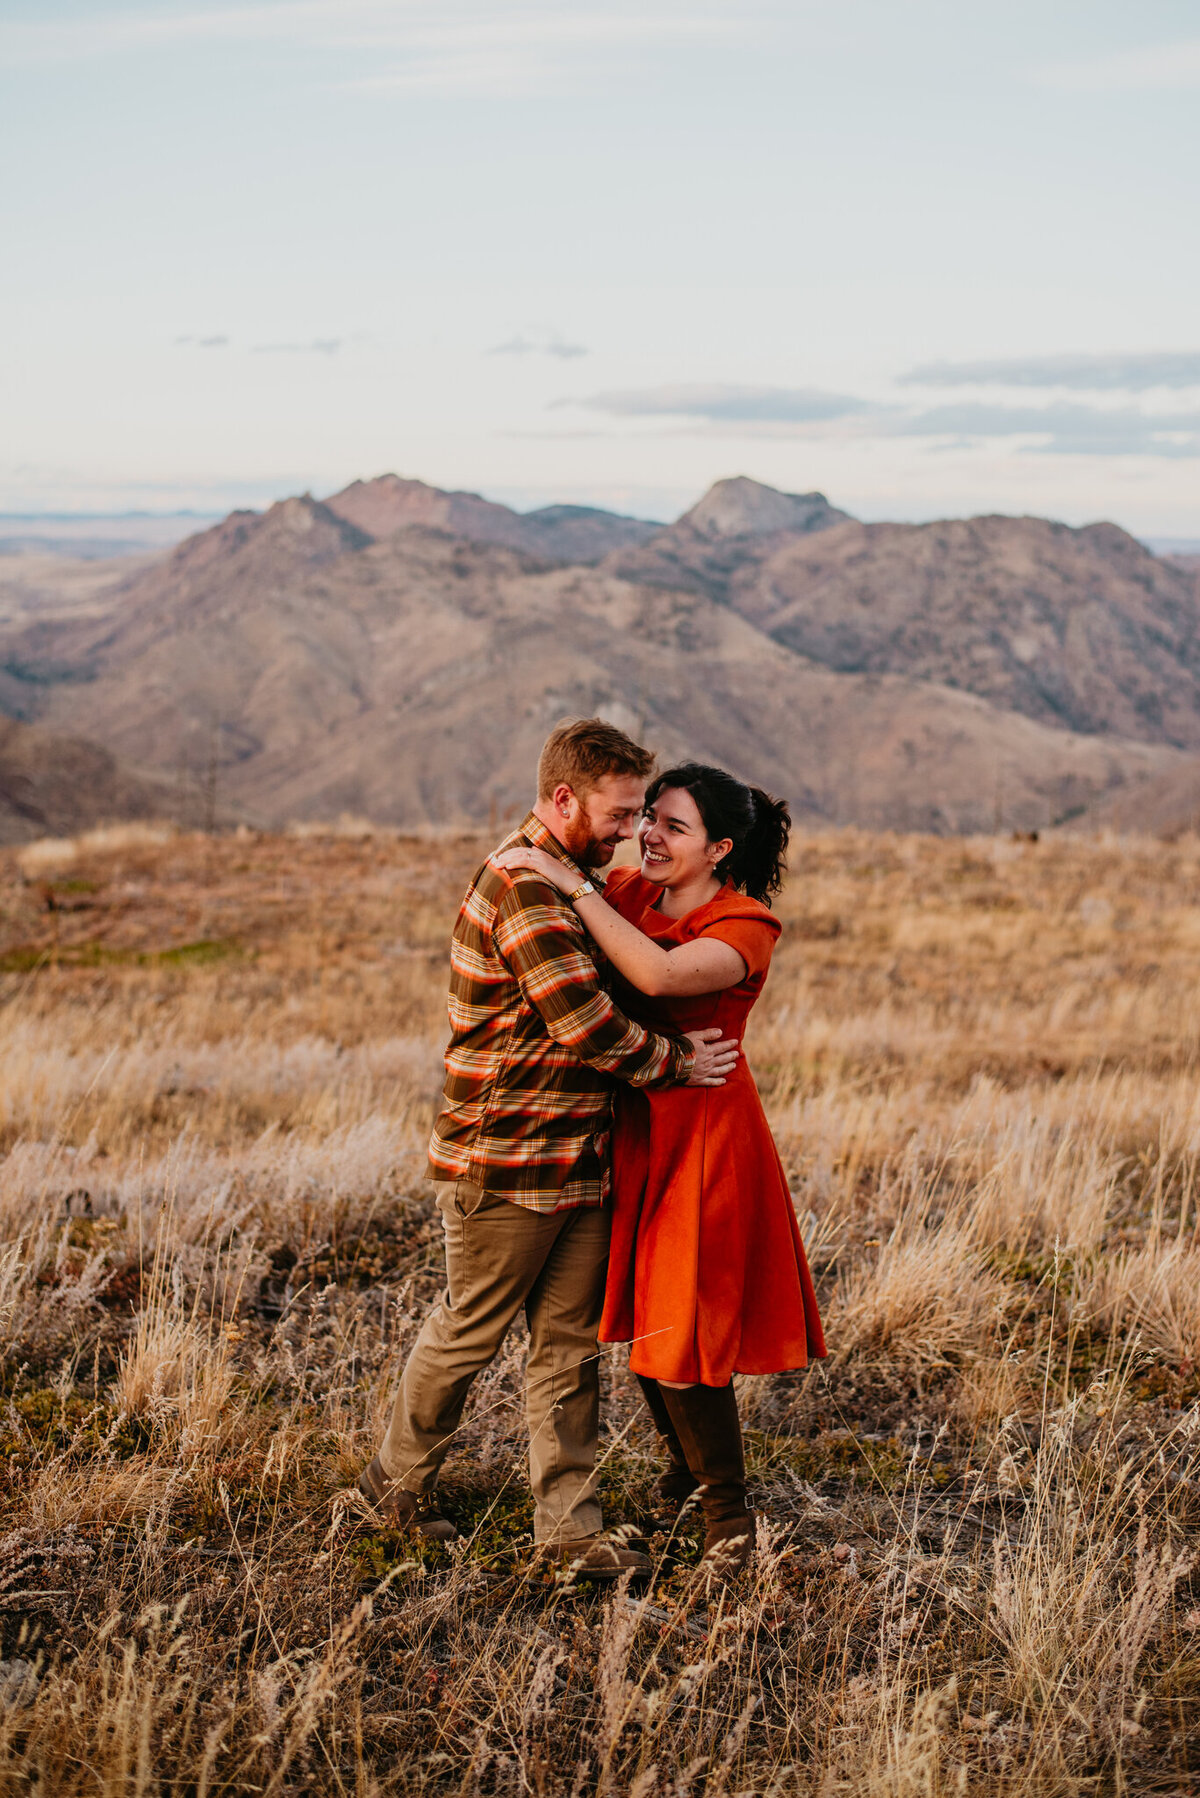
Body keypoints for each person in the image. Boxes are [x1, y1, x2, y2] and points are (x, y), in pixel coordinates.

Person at [358, 721, 740, 1579]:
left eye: (642, 812)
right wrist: (677, 1066)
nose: (630, 830)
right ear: (564, 798)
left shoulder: (569, 881)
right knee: (468, 1331)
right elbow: (586, 1026)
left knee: (568, 1348)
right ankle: (391, 1491)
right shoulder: (524, 888)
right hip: (505, 1159)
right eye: (619, 811)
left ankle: (570, 1532)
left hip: (576, 1158)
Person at [493, 762, 826, 1581]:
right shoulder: (632, 899)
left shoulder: (745, 923)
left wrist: (572, 890)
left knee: (681, 1320)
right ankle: (681, 1475)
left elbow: (659, 976)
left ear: (718, 847)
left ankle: (728, 1515)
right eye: (651, 819)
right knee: (646, 1317)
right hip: (638, 1130)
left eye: (673, 827)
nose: (651, 836)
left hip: (708, 1136)